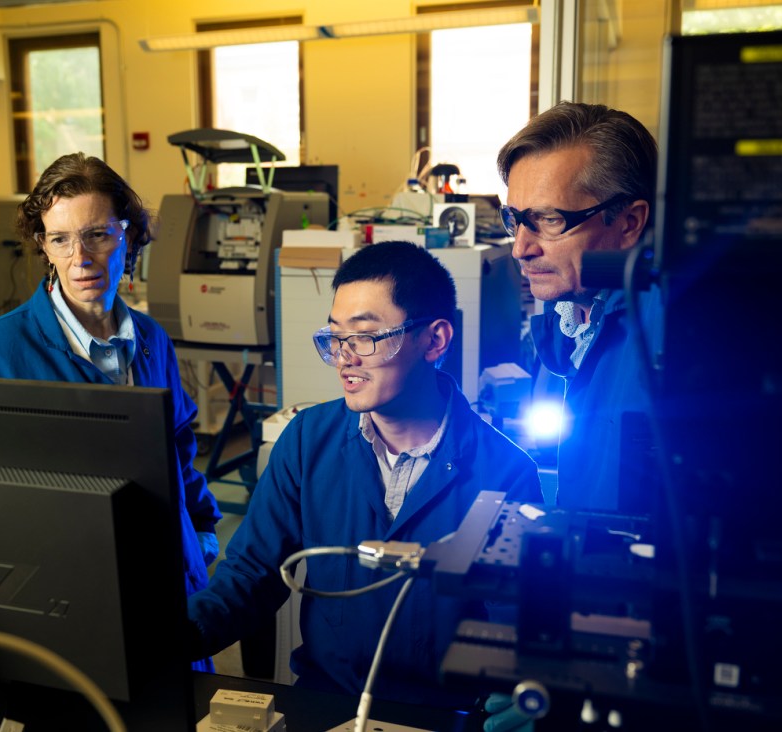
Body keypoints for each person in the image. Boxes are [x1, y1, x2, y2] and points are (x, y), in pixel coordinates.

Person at [186, 241, 543, 714]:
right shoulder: (307, 440)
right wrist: (177, 636)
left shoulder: (506, 474)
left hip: (442, 716)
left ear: (434, 340)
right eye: (335, 338)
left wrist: (517, 697)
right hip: (325, 702)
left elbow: (516, 628)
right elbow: (253, 575)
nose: (344, 358)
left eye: (365, 337)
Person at [0, 152, 223, 673]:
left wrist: (204, 530)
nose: (80, 257)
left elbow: (178, 449)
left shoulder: (150, 341)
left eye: (98, 234)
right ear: (44, 246)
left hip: (166, 583)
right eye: (60, 239)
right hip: (63, 601)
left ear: (129, 236)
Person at [497, 101, 661, 513]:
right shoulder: (563, 320)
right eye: (514, 219)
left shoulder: (674, 335)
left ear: (628, 223)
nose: (521, 247)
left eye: (549, 220)